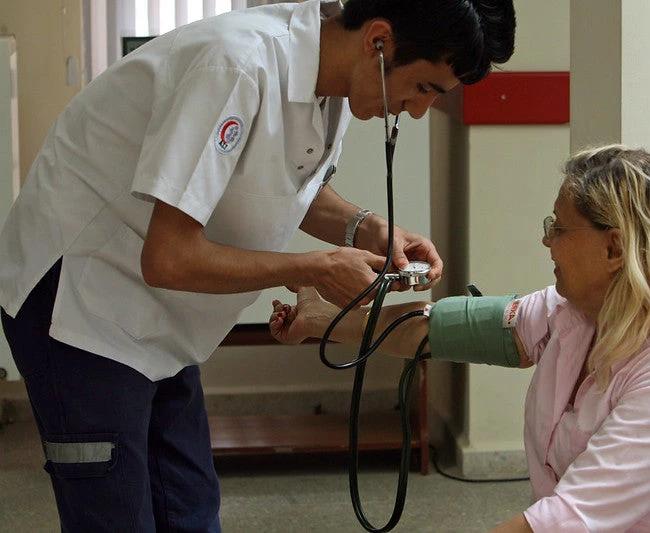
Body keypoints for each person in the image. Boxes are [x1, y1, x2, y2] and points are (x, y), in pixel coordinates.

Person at [0, 0, 517, 530]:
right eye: (424, 87)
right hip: (79, 307)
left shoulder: (329, 83)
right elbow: (168, 256)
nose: (416, 110)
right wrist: (312, 269)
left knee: (191, 510)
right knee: (117, 517)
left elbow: (285, 180)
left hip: (159, 318)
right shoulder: (237, 65)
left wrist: (367, 228)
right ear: (379, 40)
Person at [269, 145, 650, 532]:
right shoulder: (571, 312)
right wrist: (321, 319)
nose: (546, 241)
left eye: (558, 227)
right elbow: (434, 329)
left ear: (613, 248)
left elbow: (562, 521)